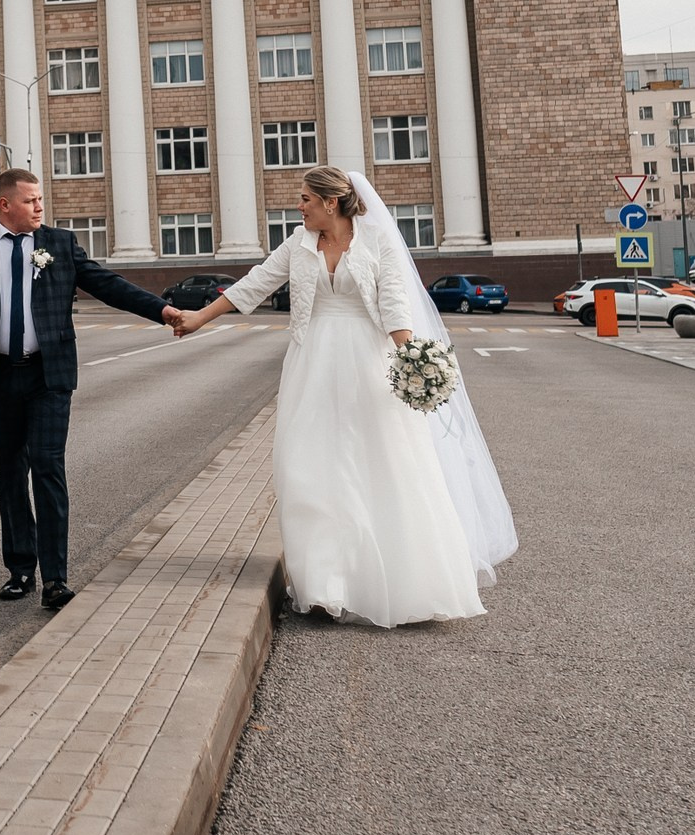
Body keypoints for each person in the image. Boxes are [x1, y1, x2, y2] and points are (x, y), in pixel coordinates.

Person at [171, 165, 516, 626]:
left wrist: (414, 361)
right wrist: (198, 318)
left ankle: (401, 580)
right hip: (311, 364)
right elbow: (256, 282)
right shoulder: (299, 243)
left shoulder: (376, 242)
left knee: (380, 462)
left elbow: (394, 304)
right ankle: (324, 586)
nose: (299, 206)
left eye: (305, 199)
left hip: (367, 364)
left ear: (330, 202)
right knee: (308, 467)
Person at [0, 168, 183, 610]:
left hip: (48, 375)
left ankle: (55, 579)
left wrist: (161, 310)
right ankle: (20, 570)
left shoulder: (59, 244)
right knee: (10, 473)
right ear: (5, 204)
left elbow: (107, 285)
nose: (39, 207)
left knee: (48, 466)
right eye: (30, 200)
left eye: (40, 199)